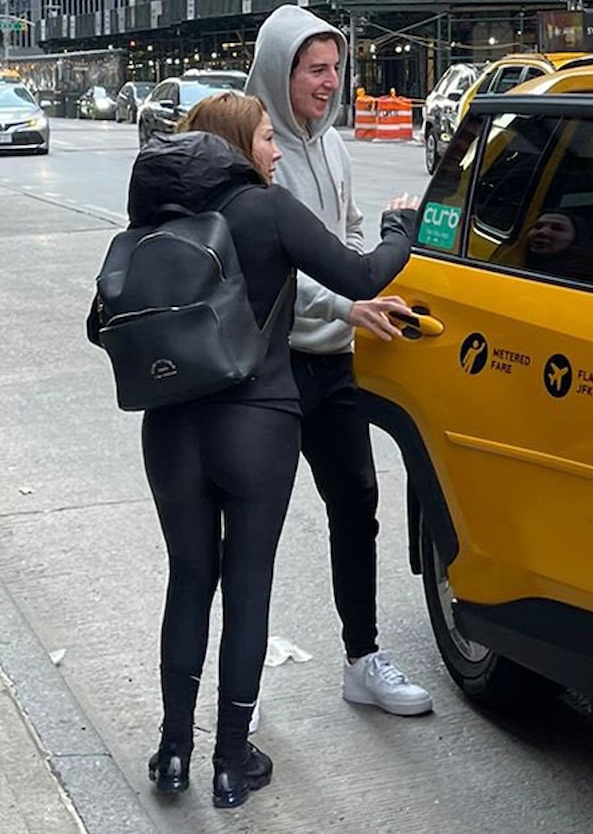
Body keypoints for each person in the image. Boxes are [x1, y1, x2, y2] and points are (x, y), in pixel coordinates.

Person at [88, 92, 418, 809]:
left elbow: (102, 322)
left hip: (171, 429)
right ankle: (232, 765)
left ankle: (174, 751)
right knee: (247, 586)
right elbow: (361, 277)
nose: (274, 152)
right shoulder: (265, 211)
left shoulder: (157, 224)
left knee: (187, 581)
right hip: (258, 423)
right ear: (238, 145)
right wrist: (402, 227)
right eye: (267, 138)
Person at [246, 5, 432, 718]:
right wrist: (346, 305)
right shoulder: (255, 154)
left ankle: (363, 659)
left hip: (335, 367)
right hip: (272, 369)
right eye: (315, 70)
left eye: (335, 68)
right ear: (278, 70)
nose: (330, 83)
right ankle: (244, 688)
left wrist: (354, 302)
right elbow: (270, 274)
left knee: (357, 511)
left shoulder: (335, 147)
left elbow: (349, 241)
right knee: (254, 527)